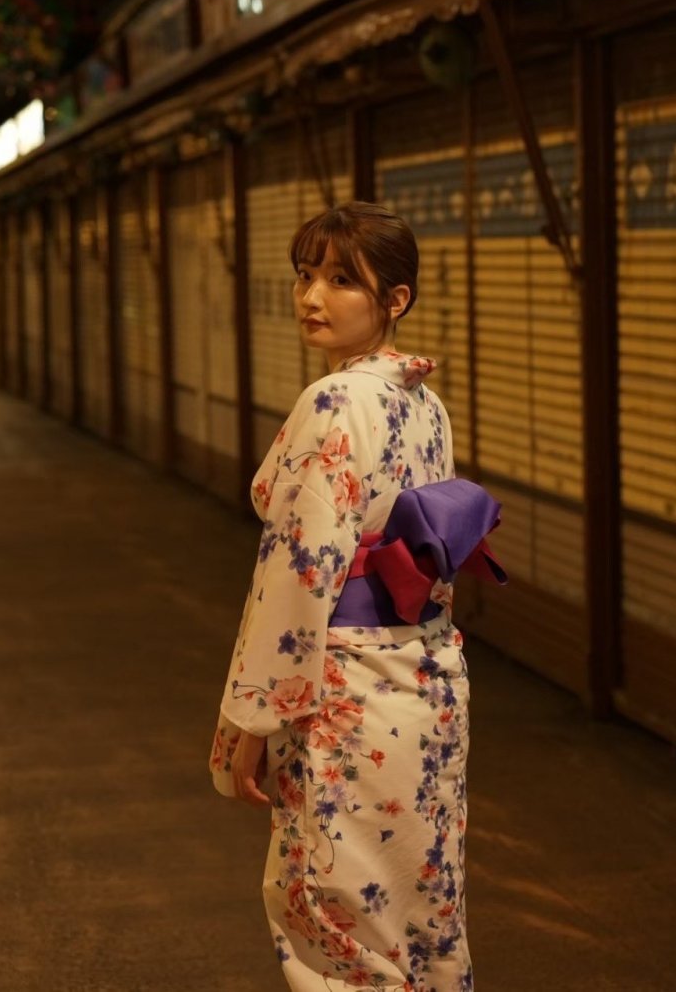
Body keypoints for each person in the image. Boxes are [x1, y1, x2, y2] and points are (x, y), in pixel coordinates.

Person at [210, 202, 504, 992]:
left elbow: (297, 576)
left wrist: (250, 719)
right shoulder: (425, 404)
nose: (313, 296)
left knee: (332, 919)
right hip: (426, 683)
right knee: (420, 912)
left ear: (395, 298)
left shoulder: (334, 403)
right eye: (306, 274)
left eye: (342, 280)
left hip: (345, 696)